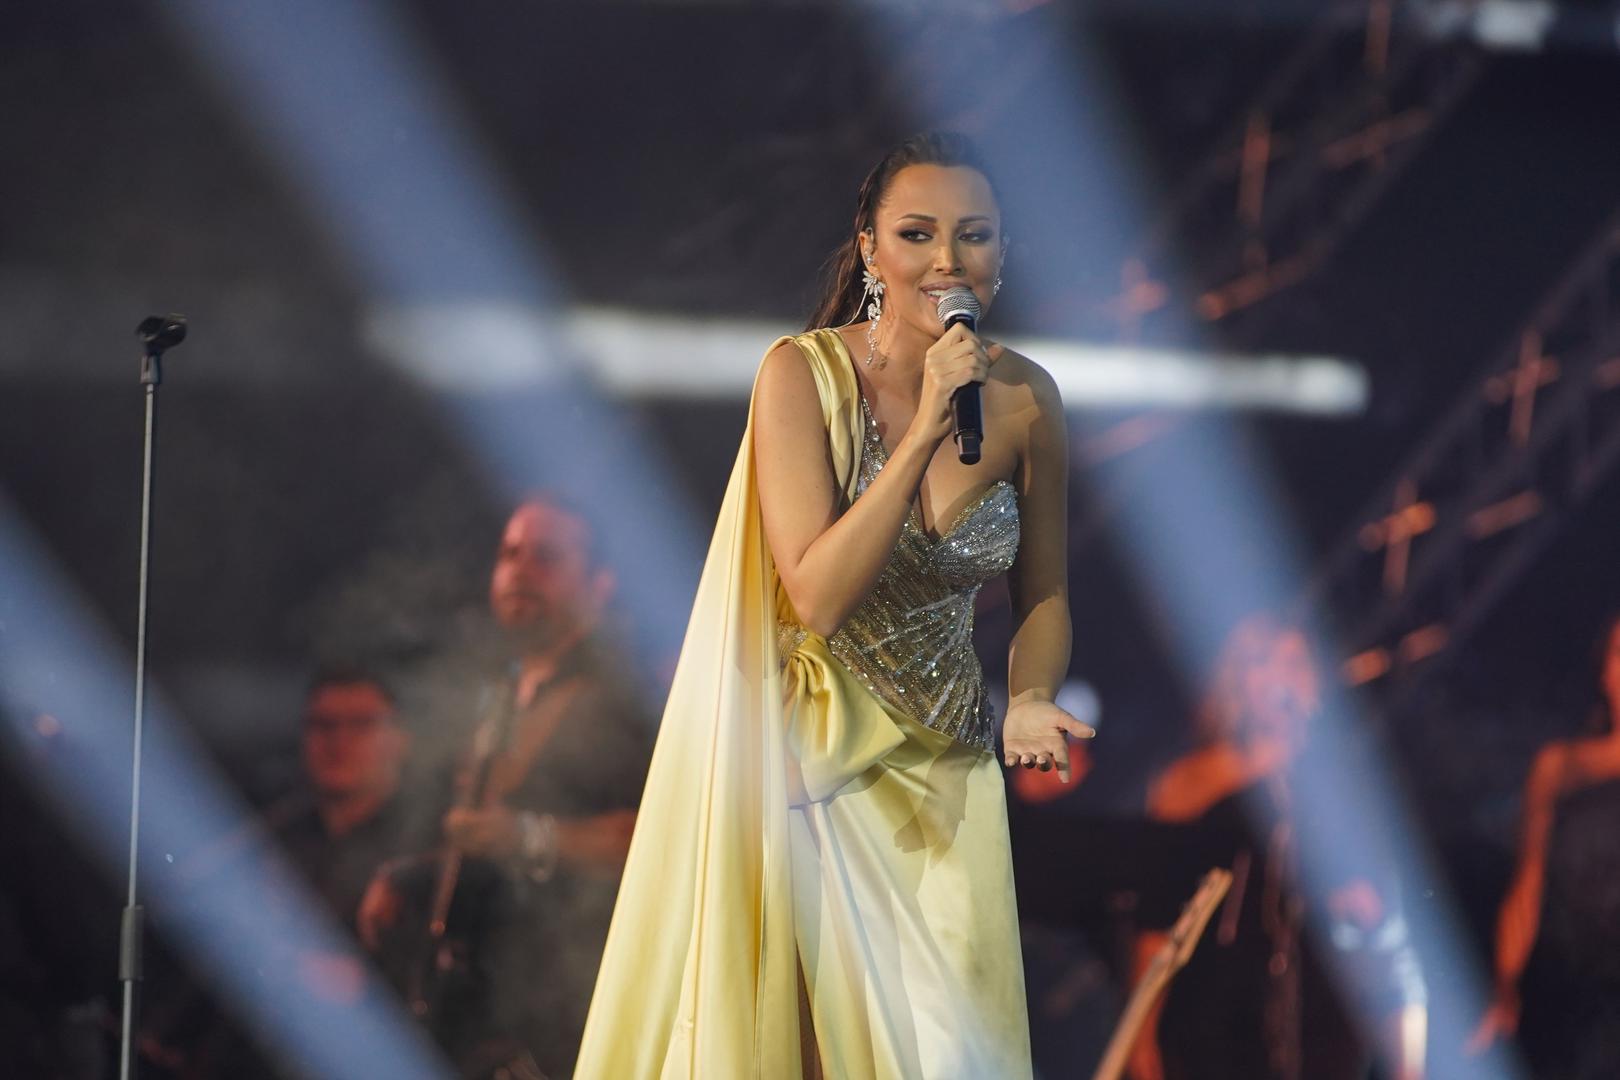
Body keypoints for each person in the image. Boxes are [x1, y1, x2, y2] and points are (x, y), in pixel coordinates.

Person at [575, 131, 1090, 1079]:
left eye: (974, 235)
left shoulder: (1027, 399)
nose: (947, 260)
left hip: (948, 775)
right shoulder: (799, 376)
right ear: (870, 250)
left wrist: (1028, 696)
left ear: (1003, 254)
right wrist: (926, 427)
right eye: (917, 234)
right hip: (810, 768)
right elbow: (814, 593)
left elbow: (1044, 591)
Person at [361, 496, 653, 1077]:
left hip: (577, 1016)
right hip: (486, 1022)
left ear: (599, 585)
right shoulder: (499, 692)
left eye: (546, 556)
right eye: (509, 554)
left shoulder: (624, 695)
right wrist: (413, 878)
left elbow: (662, 839)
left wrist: (528, 836)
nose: (519, 570)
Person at [1127, 615, 1425, 1080]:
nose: (1279, 679)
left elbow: (1382, 929)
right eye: (1262, 663)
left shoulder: (1342, 786)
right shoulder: (1197, 779)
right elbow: (1156, 915)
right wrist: (1141, 1031)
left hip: (1318, 1014)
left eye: (1294, 663)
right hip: (1218, 1017)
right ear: (1238, 682)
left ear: (1315, 681)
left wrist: (1406, 1055)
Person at [1470, 612, 1620, 1076]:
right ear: (1605, 671)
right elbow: (1526, 889)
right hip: (1568, 995)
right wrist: (1504, 985)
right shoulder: (1559, 768)